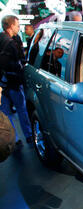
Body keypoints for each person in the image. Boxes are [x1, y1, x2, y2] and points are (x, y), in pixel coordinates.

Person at [0, 15, 32, 148]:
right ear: (11, 26)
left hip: (5, 83)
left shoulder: (12, 39)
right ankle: (28, 136)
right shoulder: (9, 43)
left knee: (7, 113)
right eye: (18, 25)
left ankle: (14, 139)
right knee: (21, 109)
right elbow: (12, 62)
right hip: (11, 82)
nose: (19, 28)